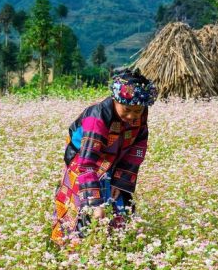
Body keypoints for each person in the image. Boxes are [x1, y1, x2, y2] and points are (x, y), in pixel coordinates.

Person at [51, 67, 157, 245]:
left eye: (138, 111)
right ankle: (71, 250)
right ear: (116, 100)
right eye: (127, 109)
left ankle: (114, 245)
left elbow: (136, 149)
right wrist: (94, 204)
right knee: (81, 206)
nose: (132, 116)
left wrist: (120, 180)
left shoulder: (140, 115)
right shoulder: (97, 117)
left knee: (118, 200)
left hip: (113, 158)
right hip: (82, 157)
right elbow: (87, 164)